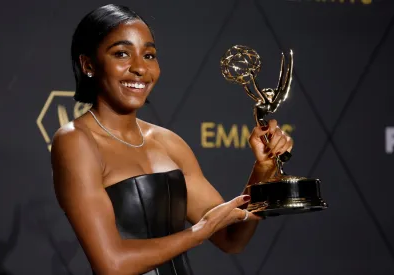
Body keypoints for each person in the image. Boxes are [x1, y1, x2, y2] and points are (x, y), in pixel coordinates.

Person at [51, 4, 293, 275]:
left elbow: (231, 238)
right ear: (89, 65)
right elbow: (112, 265)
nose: (140, 68)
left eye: (149, 55)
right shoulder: (76, 141)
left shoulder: (169, 143)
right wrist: (199, 232)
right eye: (122, 53)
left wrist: (262, 169)